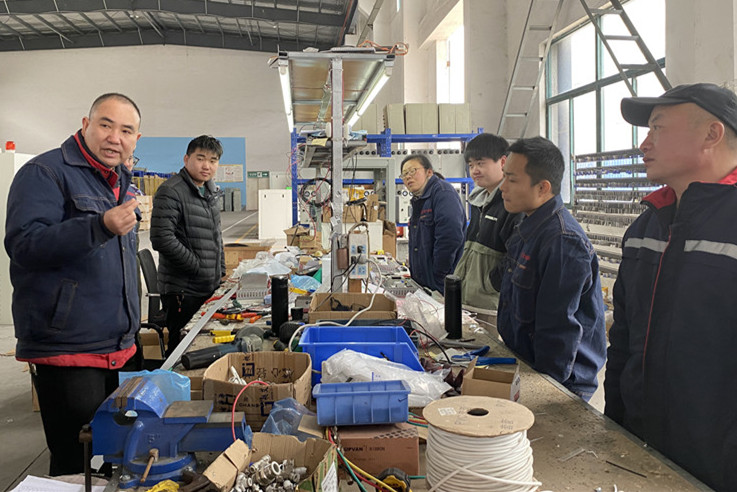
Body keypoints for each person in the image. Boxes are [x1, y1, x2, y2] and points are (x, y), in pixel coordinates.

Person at [605, 83, 737, 491]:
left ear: (712, 134)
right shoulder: (647, 226)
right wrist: (614, 426)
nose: (644, 144)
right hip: (642, 446)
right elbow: (623, 340)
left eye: (658, 128)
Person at [4, 93, 142, 475]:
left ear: (136, 139)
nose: (115, 137)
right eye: (106, 125)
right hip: (69, 349)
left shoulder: (118, 179)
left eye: (126, 130)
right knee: (76, 466)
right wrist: (98, 226)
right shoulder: (45, 172)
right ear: (85, 124)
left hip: (117, 345)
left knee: (113, 460)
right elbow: (24, 245)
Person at [495, 136, 606, 401]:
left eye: (511, 179)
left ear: (543, 187)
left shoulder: (562, 240)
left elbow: (558, 334)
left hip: (559, 385)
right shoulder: (529, 227)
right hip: (526, 366)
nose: (502, 188)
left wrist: (542, 394)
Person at [150, 135, 225, 355]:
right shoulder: (171, 191)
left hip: (206, 286)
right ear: (186, 159)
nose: (206, 165)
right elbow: (162, 238)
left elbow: (215, 236)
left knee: (200, 346)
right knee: (180, 349)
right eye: (200, 158)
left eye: (212, 160)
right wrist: (198, 267)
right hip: (183, 290)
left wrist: (220, 271)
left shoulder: (209, 191)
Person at [453, 133, 522, 317]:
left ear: (503, 162)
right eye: (471, 165)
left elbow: (517, 257)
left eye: (481, 163)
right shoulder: (478, 202)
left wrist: (491, 284)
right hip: (470, 301)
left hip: (493, 306)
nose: (475, 170)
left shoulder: (513, 203)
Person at [401, 153, 466, 294]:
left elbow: (450, 236)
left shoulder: (443, 193)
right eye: (404, 174)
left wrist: (439, 273)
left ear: (429, 172)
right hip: (426, 281)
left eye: (412, 171)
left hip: (440, 282)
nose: (408, 177)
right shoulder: (420, 200)